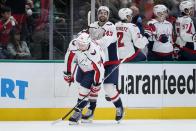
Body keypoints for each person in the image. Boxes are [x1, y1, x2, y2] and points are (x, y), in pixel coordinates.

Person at [84, 6, 124, 123]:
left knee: (108, 87)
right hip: (97, 61)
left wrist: (90, 42)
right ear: (97, 14)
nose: (102, 14)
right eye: (100, 13)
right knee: (93, 86)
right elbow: (84, 38)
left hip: (111, 61)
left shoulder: (111, 26)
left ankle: (119, 107)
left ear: (108, 15)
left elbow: (105, 42)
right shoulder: (92, 25)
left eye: (105, 13)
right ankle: (91, 111)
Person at [63, 32, 105, 125]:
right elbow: (69, 58)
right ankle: (91, 110)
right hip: (82, 66)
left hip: (93, 70)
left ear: (89, 44)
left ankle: (77, 112)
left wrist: (97, 84)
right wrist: (67, 73)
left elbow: (99, 69)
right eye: (79, 44)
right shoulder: (74, 44)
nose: (80, 47)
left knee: (84, 91)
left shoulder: (94, 52)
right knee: (82, 89)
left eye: (83, 45)